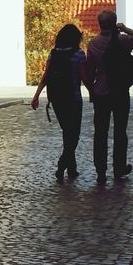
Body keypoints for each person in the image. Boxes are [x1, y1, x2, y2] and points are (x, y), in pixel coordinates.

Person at [85, 10, 133, 184]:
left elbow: (89, 70)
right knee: (120, 131)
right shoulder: (123, 40)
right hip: (120, 90)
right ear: (114, 23)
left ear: (99, 24)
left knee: (100, 133)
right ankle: (119, 167)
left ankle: (100, 171)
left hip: (101, 91)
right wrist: (126, 29)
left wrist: (91, 91)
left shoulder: (93, 44)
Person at [31, 24, 88, 182]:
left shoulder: (53, 54)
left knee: (67, 132)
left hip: (56, 99)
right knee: (73, 135)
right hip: (74, 99)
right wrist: (93, 92)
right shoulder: (79, 54)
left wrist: (36, 96)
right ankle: (62, 165)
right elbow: (84, 77)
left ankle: (72, 168)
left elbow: (46, 76)